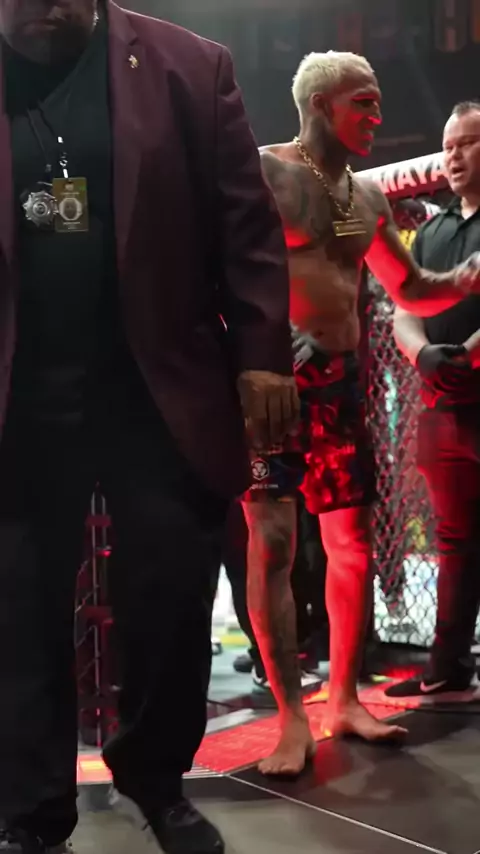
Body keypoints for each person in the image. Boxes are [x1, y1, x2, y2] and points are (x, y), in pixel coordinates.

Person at [0, 2, 297, 853]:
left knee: (171, 597)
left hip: (157, 383)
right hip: (19, 391)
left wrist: (262, 356)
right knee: (17, 609)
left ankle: (157, 779)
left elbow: (247, 229)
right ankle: (31, 810)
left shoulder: (189, 69)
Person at [240, 52, 480, 777]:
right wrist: (260, 342)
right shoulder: (263, 173)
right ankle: (291, 718)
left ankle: (342, 699)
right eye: (363, 103)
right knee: (273, 547)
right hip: (275, 387)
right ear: (321, 105)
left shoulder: (365, 198)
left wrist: (467, 277)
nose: (377, 116)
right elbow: (209, 269)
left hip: (341, 386)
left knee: (352, 546)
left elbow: (411, 287)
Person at [388, 101, 480, 698]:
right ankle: (447, 668)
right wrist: (424, 355)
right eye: (448, 146)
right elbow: (404, 307)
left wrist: (469, 354)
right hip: (442, 404)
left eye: (466, 143)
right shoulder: (431, 230)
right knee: (454, 539)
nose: (453, 156)